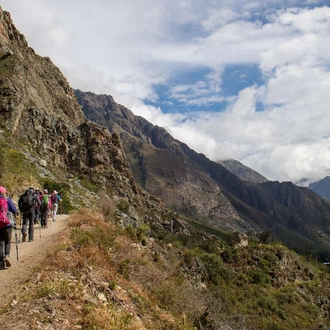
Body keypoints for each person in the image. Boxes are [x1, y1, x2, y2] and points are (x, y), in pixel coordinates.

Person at [0, 186, 18, 267]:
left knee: (0, 242)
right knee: (7, 240)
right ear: (4, 192)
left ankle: (1, 261)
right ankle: (7, 255)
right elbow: (14, 210)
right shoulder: (7, 200)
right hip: (7, 224)